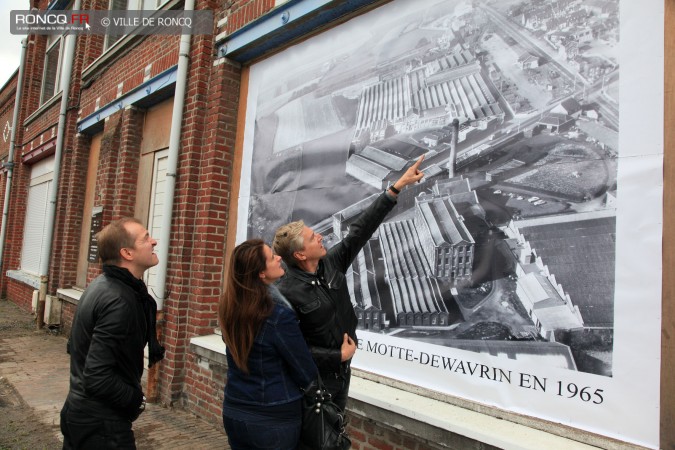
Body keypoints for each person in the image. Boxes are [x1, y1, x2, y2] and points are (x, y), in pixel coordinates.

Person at [273, 155, 425, 411]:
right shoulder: (285, 293)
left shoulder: (331, 264)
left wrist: (396, 188)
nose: (320, 236)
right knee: (315, 437)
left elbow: (361, 229)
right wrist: (337, 356)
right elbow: (289, 349)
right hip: (313, 379)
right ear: (300, 255)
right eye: (313, 238)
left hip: (341, 372)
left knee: (335, 429)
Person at [60, 217, 165, 449]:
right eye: (146, 238)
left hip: (83, 415)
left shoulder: (103, 285)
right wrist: (136, 400)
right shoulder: (119, 300)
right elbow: (97, 376)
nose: (154, 242)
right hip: (101, 426)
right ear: (127, 253)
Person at [218, 239, 318, 450]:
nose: (279, 258)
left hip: (235, 410)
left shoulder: (230, 309)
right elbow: (305, 370)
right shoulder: (278, 316)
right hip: (273, 418)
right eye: (273, 257)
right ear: (261, 274)